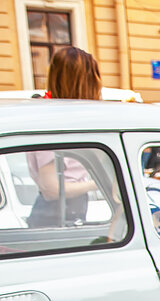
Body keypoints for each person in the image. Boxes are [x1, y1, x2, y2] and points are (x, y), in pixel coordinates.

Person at [28, 47, 101, 227]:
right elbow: (51, 189)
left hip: (62, 213)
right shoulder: (50, 121)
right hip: (54, 218)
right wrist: (96, 184)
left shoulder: (62, 118)